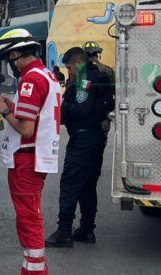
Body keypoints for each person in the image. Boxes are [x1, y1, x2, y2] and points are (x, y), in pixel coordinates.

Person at [0, 28, 63, 275]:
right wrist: (15, 107)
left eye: (9, 57)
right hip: (38, 156)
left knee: (29, 221)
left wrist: (4, 111)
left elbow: (25, 127)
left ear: (14, 54)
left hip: (27, 158)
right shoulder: (47, 75)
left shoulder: (30, 80)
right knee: (31, 217)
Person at [46, 46, 114, 247]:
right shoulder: (101, 75)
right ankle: (86, 229)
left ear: (77, 63)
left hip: (82, 139)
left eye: (69, 67)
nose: (69, 72)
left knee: (70, 185)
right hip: (96, 137)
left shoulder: (83, 81)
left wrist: (61, 106)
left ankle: (64, 232)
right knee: (87, 186)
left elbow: (80, 109)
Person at [83, 41, 116, 135]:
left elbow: (81, 92)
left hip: (86, 116)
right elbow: (114, 91)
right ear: (98, 54)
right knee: (101, 142)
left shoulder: (81, 72)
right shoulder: (108, 70)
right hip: (103, 115)